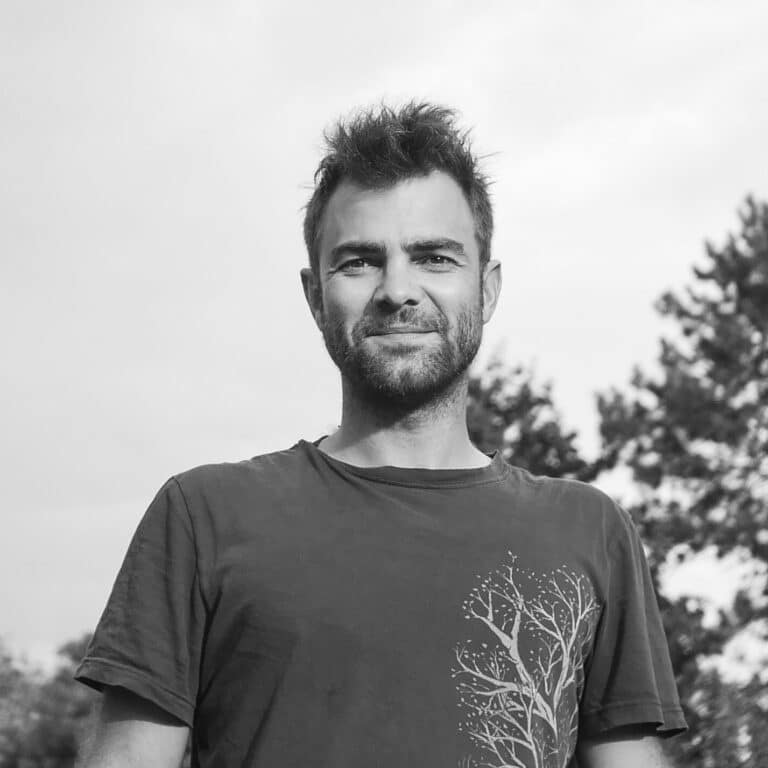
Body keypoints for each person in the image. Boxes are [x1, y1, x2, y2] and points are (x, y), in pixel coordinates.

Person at [74, 101, 686, 768]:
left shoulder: (589, 531)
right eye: (360, 261)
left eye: (435, 257)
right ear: (315, 295)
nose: (398, 290)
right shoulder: (203, 518)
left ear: (487, 289)